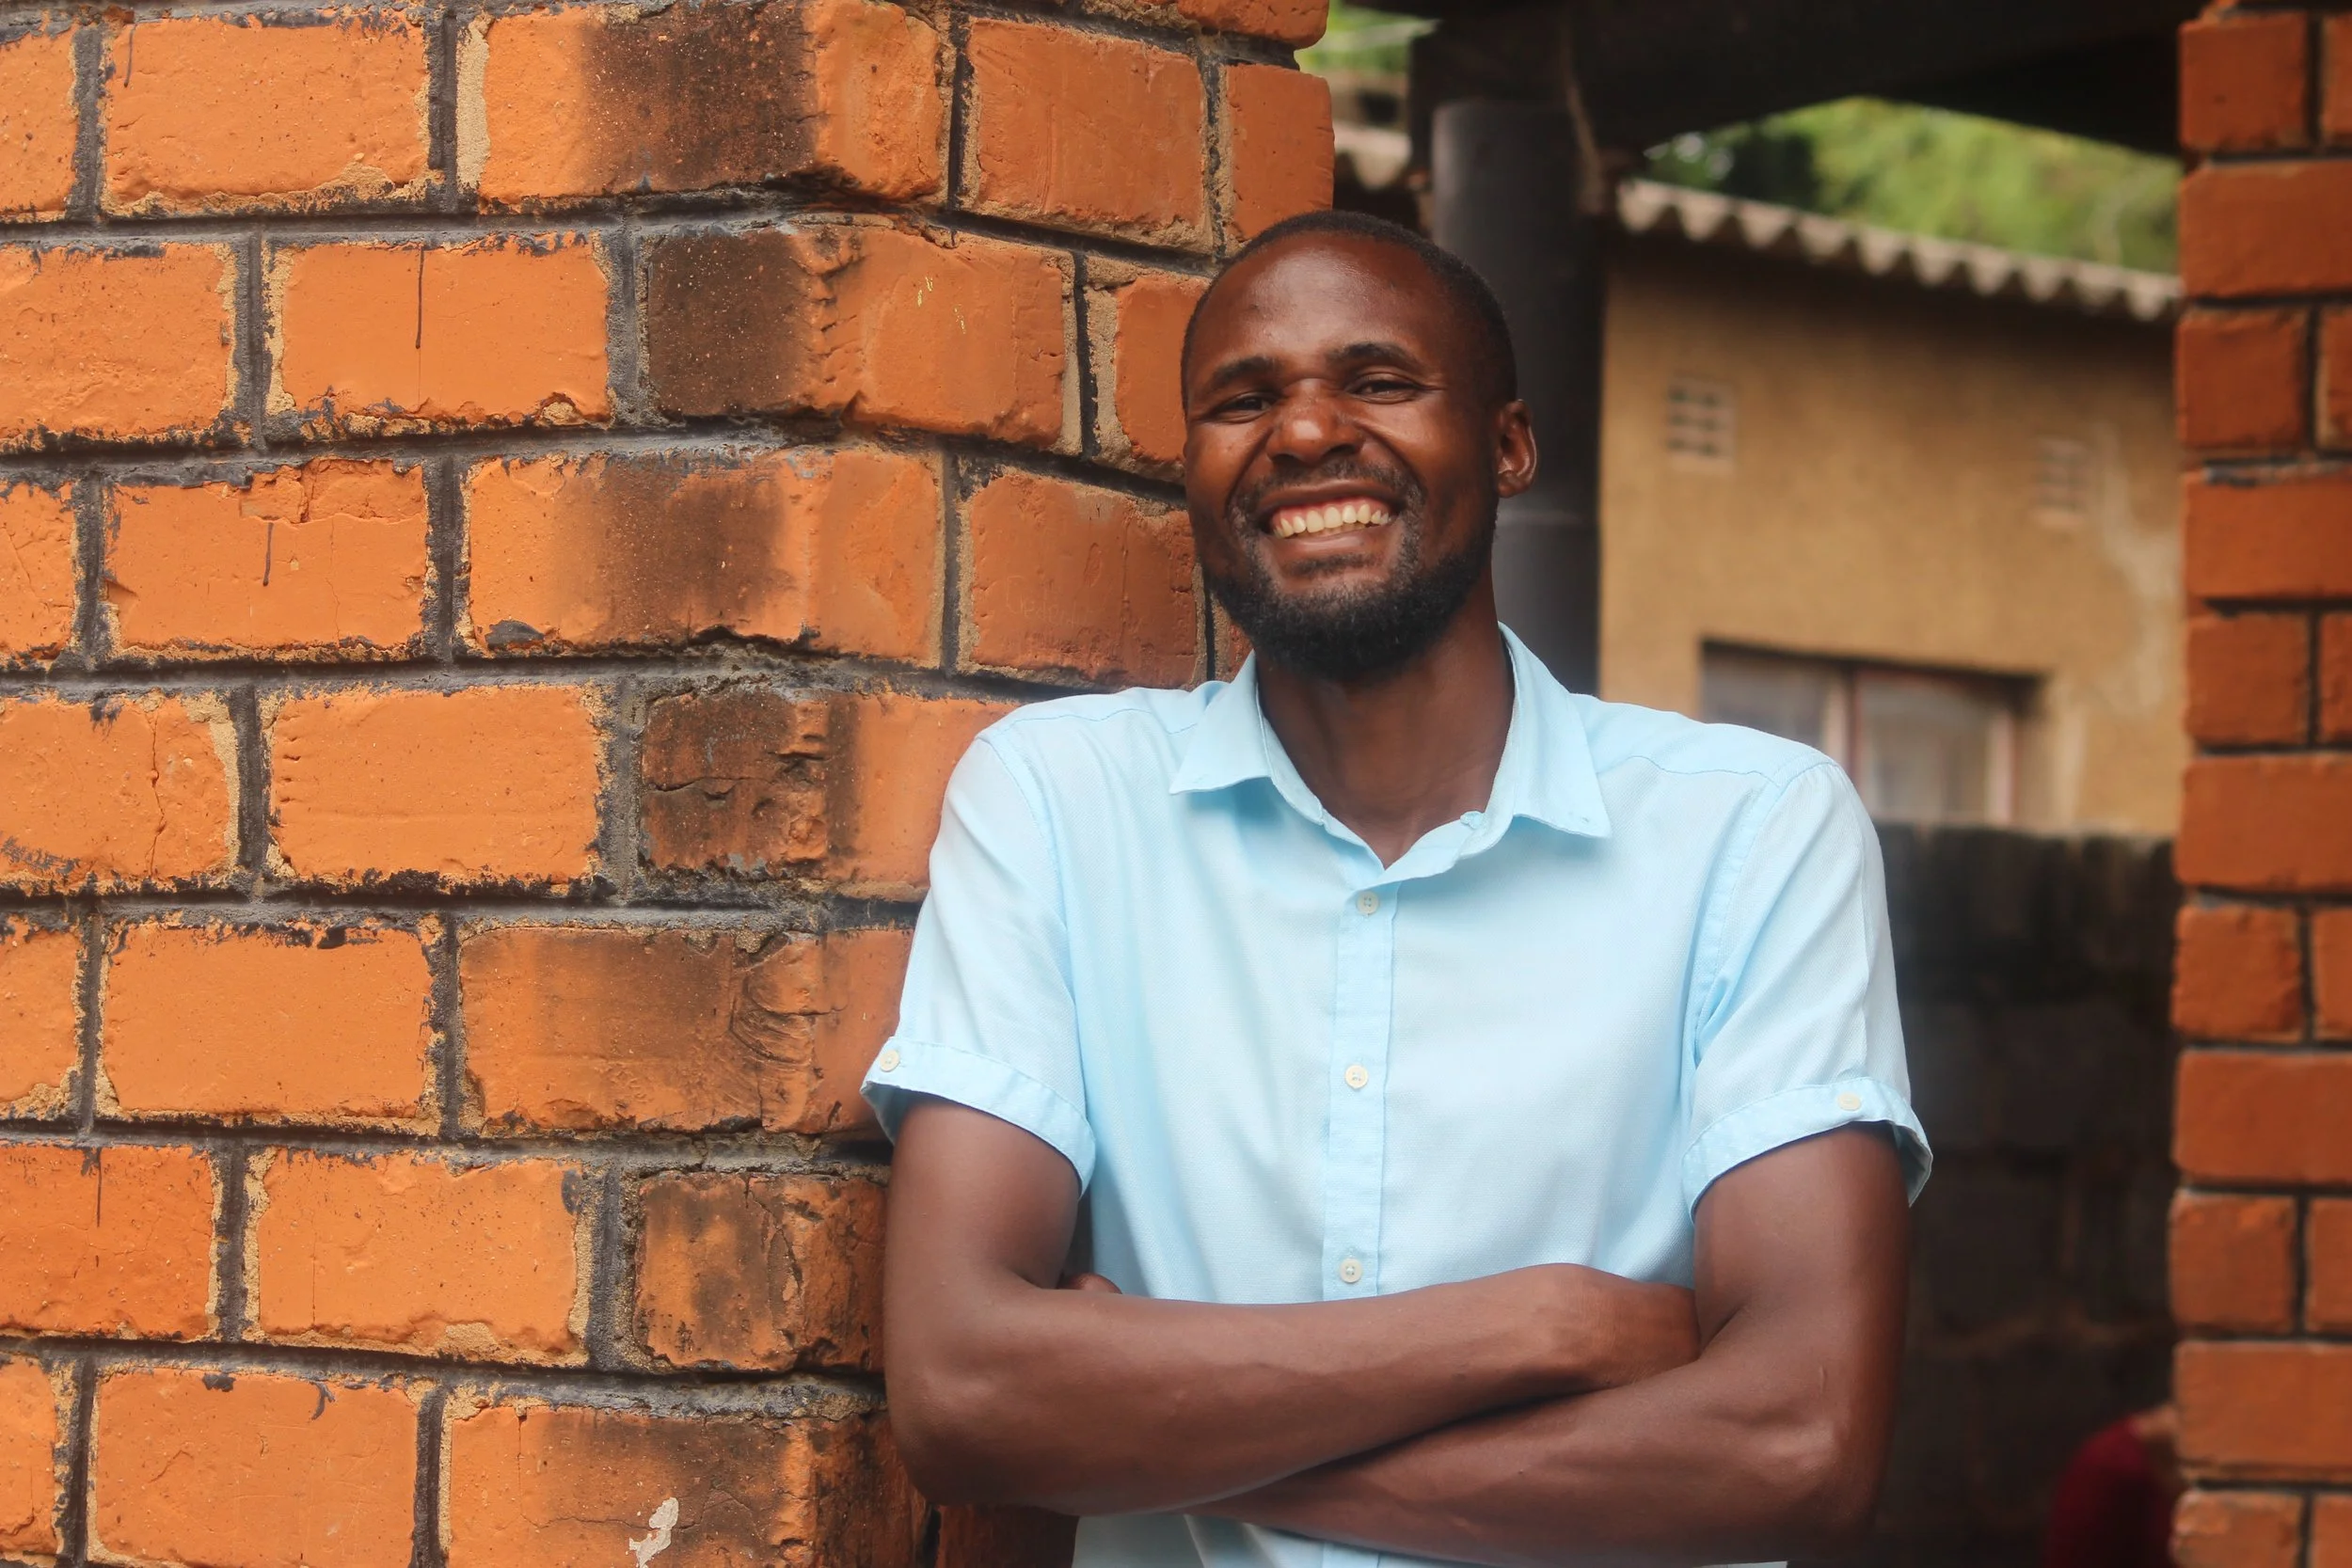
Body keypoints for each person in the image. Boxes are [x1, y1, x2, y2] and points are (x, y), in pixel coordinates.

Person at [863, 209, 1931, 1568]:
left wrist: (1169, 1429)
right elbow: (962, 1391)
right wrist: (1537, 1326)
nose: (1304, 433)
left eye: (1377, 380)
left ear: (1509, 444)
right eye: (1243, 399)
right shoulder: (1059, 806)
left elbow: (1797, 1443)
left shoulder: (1753, 833)